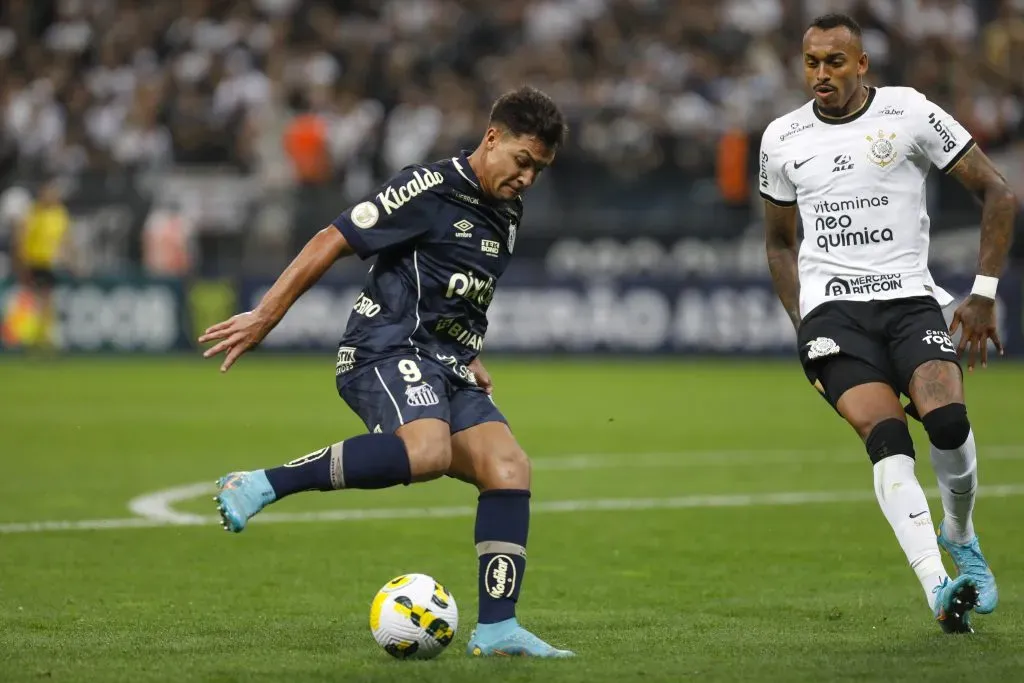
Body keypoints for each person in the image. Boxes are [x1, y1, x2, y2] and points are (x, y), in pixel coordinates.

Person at [199, 86, 573, 658]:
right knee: (427, 452)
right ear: (492, 138)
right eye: (523, 161)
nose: (527, 178)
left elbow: (459, 286)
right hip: (384, 348)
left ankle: (498, 629)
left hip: (445, 361)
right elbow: (332, 239)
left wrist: (468, 349)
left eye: (538, 170)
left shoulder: (508, 210)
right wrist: (265, 315)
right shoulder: (427, 187)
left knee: (508, 467)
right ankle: (260, 483)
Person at [760, 14, 1015, 634]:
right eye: (812, 62)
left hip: (908, 301)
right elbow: (779, 243)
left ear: (862, 63)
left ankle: (961, 535)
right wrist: (803, 320)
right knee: (886, 437)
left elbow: (999, 192)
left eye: (835, 62)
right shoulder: (782, 137)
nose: (822, 74)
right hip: (833, 315)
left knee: (948, 424)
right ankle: (938, 589)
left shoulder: (908, 112)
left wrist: (982, 294)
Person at [11, 179, 71, 350]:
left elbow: (65, 240)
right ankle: (26, 337)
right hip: (33, 262)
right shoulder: (33, 212)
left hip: (48, 264)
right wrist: (21, 262)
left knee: (45, 302)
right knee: (31, 301)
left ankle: (42, 338)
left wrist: (69, 259)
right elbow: (21, 239)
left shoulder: (60, 214)